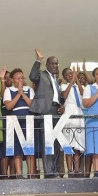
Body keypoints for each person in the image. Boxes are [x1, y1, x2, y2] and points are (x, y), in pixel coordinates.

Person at [29, 48, 65, 179]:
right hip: (46, 111)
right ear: (47, 65)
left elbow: (55, 97)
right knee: (48, 142)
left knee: (56, 143)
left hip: (56, 111)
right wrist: (38, 60)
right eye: (53, 63)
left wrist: (61, 106)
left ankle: (55, 170)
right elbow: (32, 76)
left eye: (57, 63)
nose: (56, 66)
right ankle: (49, 172)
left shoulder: (56, 79)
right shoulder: (42, 75)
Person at [4, 68, 36, 179]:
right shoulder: (9, 90)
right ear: (13, 80)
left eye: (22, 77)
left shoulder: (29, 89)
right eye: (18, 78)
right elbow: (8, 106)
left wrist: (24, 95)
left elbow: (32, 105)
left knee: (29, 148)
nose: (21, 80)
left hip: (28, 119)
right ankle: (19, 173)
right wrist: (18, 94)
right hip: (15, 120)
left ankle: (31, 173)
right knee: (17, 149)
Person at [60, 67, 85, 178]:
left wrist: (77, 80)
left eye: (72, 73)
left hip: (79, 112)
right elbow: (64, 96)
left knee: (78, 144)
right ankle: (69, 169)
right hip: (69, 112)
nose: (71, 75)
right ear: (64, 77)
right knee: (68, 143)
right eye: (68, 74)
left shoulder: (80, 85)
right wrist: (71, 82)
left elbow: (83, 93)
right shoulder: (63, 86)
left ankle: (77, 169)